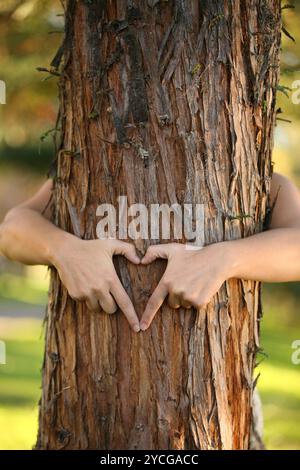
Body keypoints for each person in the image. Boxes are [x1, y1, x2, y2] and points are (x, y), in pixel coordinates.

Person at [1, 172, 300, 335]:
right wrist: (62, 249)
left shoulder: (264, 182)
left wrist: (224, 258)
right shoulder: (78, 172)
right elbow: (11, 230)